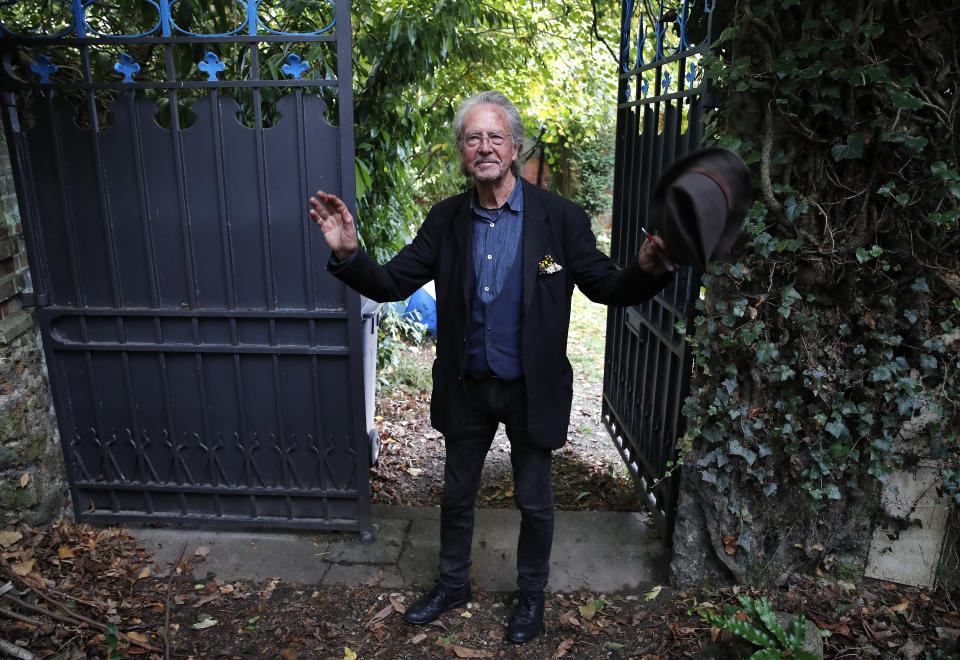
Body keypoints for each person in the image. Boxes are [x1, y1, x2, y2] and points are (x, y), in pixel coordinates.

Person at [309, 91, 673, 643]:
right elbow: (390, 284)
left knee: (534, 500)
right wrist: (347, 254)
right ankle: (452, 585)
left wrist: (646, 269)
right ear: (462, 150)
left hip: (532, 388)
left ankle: (531, 596)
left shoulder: (561, 220)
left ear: (514, 146)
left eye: (494, 136)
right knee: (456, 494)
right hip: (468, 385)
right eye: (473, 138)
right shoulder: (447, 220)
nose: (484, 147)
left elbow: (607, 287)